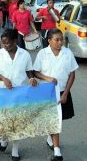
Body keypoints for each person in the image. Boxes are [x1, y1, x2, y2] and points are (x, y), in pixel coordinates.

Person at [0, 28, 37, 161]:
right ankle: (4, 139)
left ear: (15, 41)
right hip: (3, 93)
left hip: (19, 93)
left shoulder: (25, 54)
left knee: (17, 122)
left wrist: (32, 79)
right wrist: (3, 78)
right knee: (4, 120)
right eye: (3, 43)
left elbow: (29, 71)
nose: (5, 45)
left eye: (8, 43)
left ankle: (15, 150)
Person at [33, 28, 78, 161]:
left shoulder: (67, 53)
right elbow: (35, 72)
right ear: (49, 41)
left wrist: (65, 94)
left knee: (59, 119)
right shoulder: (42, 53)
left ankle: (50, 138)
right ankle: (57, 151)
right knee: (54, 120)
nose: (60, 42)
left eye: (61, 39)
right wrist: (47, 78)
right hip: (47, 93)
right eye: (57, 40)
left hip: (62, 92)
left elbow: (72, 74)